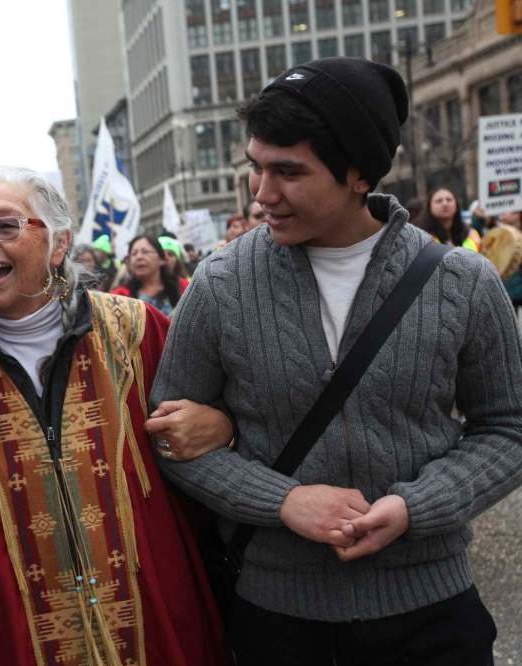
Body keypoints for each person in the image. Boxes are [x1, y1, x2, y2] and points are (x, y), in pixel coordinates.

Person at [151, 57, 522, 665]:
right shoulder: (218, 283)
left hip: (432, 617)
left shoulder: (464, 281)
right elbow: (171, 442)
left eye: (289, 172)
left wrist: (415, 506)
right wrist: (282, 500)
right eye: (256, 167)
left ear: (358, 173)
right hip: (275, 621)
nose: (263, 193)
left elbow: (508, 427)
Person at [0, 167, 228, 665]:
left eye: (6, 226)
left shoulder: (137, 329)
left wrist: (224, 426)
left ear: (58, 245)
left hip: (152, 618)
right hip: (7, 629)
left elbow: (212, 434)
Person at [112, 235, 189, 317]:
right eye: (134, 254)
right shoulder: (119, 296)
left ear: (162, 260)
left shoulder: (184, 288)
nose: (139, 257)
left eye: (145, 252)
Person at [416, 187, 482, 252]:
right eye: (439, 201)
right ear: (429, 206)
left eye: (449, 200)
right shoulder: (420, 237)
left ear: (456, 204)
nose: (445, 204)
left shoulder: (471, 234)